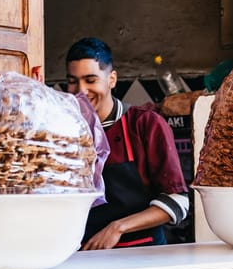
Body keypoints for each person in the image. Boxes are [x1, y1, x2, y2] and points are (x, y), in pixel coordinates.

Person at [65, 37, 189, 249]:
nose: (81, 90)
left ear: (112, 79)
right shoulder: (64, 130)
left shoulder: (144, 124)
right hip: (81, 252)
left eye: (91, 80)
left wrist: (118, 228)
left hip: (141, 252)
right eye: (73, 81)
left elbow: (178, 202)